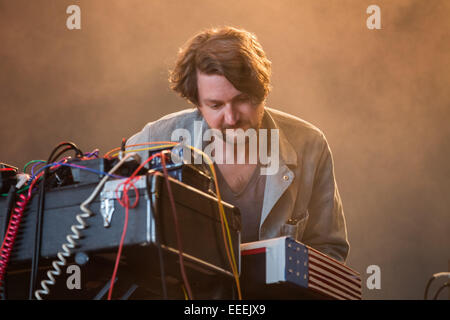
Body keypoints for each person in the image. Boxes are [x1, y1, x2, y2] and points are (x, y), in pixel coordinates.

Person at [127, 26, 349, 264]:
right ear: (197, 104)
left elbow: (329, 250)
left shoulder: (310, 146)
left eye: (242, 100)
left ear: (262, 93)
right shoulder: (154, 139)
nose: (231, 118)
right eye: (215, 106)